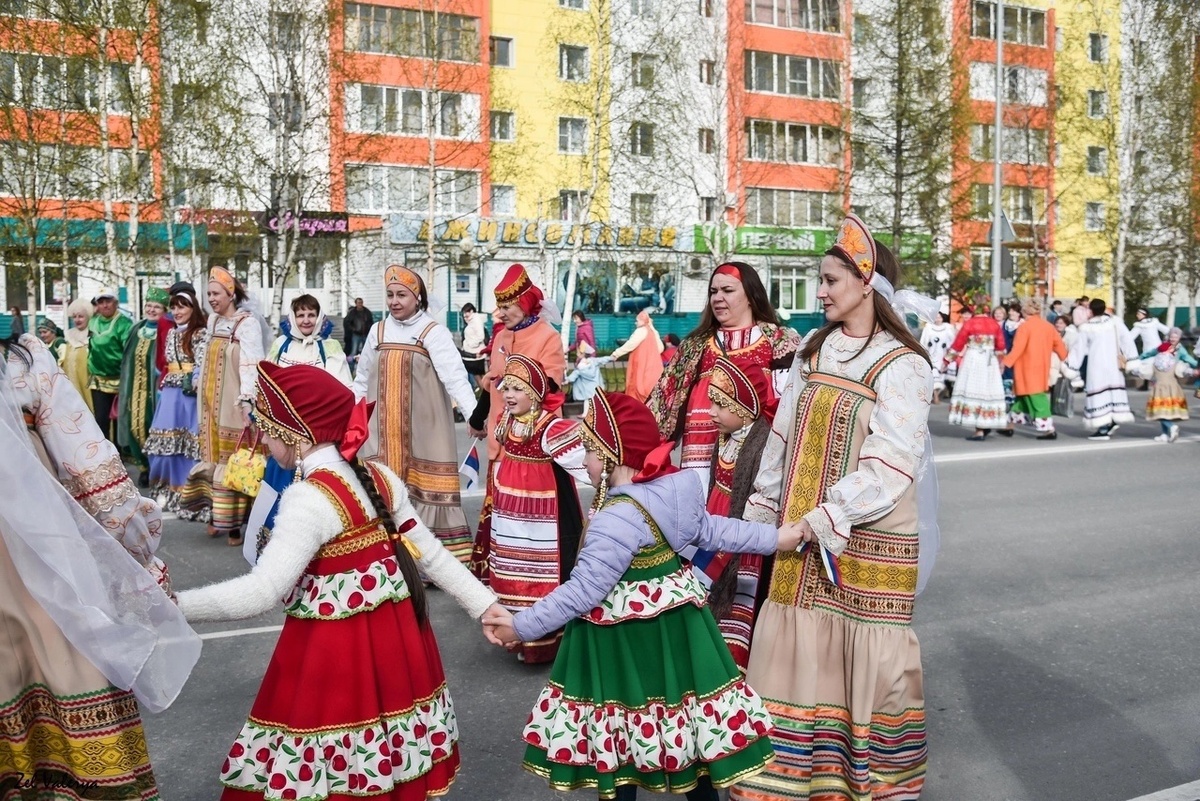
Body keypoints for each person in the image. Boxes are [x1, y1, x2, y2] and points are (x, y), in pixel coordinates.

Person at [176, 361, 504, 801]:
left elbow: (261, 592)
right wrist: (485, 605)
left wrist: (174, 606)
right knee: (380, 761)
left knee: (327, 768)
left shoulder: (309, 500)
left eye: (269, 429)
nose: (265, 439)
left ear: (296, 434)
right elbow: (431, 555)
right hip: (399, 651)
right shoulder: (378, 476)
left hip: (334, 661)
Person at [483, 390, 803, 800]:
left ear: (612, 455)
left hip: (622, 647)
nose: (584, 461)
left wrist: (520, 625)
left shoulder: (616, 520)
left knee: (621, 733)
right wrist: (778, 537)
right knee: (689, 723)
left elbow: (583, 591)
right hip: (677, 639)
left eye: (590, 451)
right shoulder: (669, 494)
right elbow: (721, 530)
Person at [734, 214, 934, 801]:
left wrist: (823, 520)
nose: (819, 291)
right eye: (820, 280)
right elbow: (781, 439)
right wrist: (761, 514)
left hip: (864, 537)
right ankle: (791, 787)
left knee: (864, 669)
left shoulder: (904, 365)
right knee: (795, 662)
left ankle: (860, 785)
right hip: (801, 538)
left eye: (830, 280)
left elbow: (893, 462)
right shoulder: (812, 353)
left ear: (866, 283)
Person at [0, 334, 199, 800]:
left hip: (33, 539)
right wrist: (135, 546)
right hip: (37, 543)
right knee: (63, 648)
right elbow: (83, 459)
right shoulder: (20, 362)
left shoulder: (23, 361)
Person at [354, 265, 480, 564]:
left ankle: (432, 565)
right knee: (379, 489)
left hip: (424, 430)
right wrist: (351, 417)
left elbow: (455, 378)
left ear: (418, 298)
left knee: (425, 490)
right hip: (379, 432)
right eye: (390, 295)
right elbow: (361, 379)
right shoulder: (378, 330)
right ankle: (385, 560)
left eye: (402, 295)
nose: (395, 301)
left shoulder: (432, 332)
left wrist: (474, 416)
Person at [646, 262, 800, 492]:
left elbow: (796, 400)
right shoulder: (694, 346)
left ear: (751, 295)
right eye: (713, 291)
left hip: (759, 451)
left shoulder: (780, 341)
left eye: (727, 290)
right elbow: (661, 403)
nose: (717, 297)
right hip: (700, 454)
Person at [479, 354, 586, 664]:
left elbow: (584, 461)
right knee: (514, 566)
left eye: (517, 389)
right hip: (510, 514)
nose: (509, 396)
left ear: (536, 394)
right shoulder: (506, 421)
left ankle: (546, 641)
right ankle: (517, 636)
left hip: (544, 512)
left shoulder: (550, 427)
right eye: (506, 388)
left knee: (545, 570)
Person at [684, 356, 777, 672]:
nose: (712, 413)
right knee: (705, 587)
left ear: (745, 406)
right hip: (716, 522)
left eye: (721, 405)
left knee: (736, 600)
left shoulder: (763, 444)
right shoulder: (725, 436)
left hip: (741, 531)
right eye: (712, 403)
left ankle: (731, 666)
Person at [246, 294, 354, 564]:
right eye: (301, 315)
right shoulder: (280, 346)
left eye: (311, 315)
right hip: (284, 433)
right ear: (292, 318)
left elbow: (344, 389)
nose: (306, 320)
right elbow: (266, 383)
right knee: (279, 484)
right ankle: (276, 547)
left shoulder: (330, 348)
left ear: (319, 317)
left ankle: (315, 545)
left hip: (317, 433)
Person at [198, 266, 267, 546]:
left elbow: (253, 363)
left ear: (230, 293)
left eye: (216, 293)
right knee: (215, 457)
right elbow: (205, 356)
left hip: (235, 402)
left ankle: (238, 524)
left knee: (237, 460)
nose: (212, 299)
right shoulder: (213, 321)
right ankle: (219, 516)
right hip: (211, 400)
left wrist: (248, 400)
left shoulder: (246, 323)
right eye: (209, 294)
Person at [145, 286, 209, 518]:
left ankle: (191, 496)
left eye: (182, 306)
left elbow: (201, 362)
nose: (177, 311)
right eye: (174, 307)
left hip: (188, 395)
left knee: (188, 446)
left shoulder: (200, 333)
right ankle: (167, 494)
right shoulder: (172, 332)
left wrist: (194, 379)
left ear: (193, 308)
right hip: (170, 392)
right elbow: (165, 361)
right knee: (162, 445)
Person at [1063, 298, 1138, 440]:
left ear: (1090, 310)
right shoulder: (1115, 322)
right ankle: (1112, 420)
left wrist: (1071, 368)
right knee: (1113, 393)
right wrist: (1132, 359)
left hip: (1096, 366)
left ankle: (1103, 427)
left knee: (1099, 394)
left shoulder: (1086, 327)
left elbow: (1079, 350)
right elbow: (1127, 340)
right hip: (1113, 365)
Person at [118, 287, 169, 480]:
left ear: (165, 310)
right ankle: (143, 466)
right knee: (133, 426)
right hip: (133, 388)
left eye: (157, 307)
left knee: (152, 425)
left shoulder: (167, 331)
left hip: (155, 390)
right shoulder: (136, 329)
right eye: (149, 305)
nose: (152, 310)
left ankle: (156, 466)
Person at [1003, 299, 1069, 440]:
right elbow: (1059, 345)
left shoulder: (1024, 327)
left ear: (1026, 311)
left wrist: (1005, 362)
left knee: (1035, 397)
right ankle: (1009, 425)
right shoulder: (1048, 327)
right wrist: (1065, 358)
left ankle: (1049, 429)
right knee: (1022, 398)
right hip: (1042, 366)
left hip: (1025, 367)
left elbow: (1018, 349)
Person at [945, 304, 1008, 440]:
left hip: (973, 359)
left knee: (974, 389)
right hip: (990, 361)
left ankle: (979, 430)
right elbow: (1001, 346)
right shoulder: (994, 324)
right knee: (988, 391)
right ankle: (986, 423)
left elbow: (958, 343)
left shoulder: (970, 324)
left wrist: (947, 361)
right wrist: (1001, 362)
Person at [1131, 327, 1195, 442]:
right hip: (1173, 387)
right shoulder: (1174, 360)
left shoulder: (1155, 361)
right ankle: (1167, 431)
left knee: (1160, 411)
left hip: (1159, 388)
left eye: (1176, 337)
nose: (1173, 339)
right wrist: (1195, 370)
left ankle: (1169, 429)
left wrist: (1133, 364)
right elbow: (1184, 368)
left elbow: (1142, 370)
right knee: (1167, 411)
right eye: (1172, 336)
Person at [87, 287, 132, 443]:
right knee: (100, 418)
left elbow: (129, 352)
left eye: (108, 301)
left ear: (116, 303)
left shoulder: (124, 324)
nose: (105, 305)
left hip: (119, 380)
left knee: (118, 419)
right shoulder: (92, 322)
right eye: (101, 302)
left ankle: (120, 453)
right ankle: (104, 454)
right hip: (98, 379)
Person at [607, 309, 664, 404]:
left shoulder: (641, 331)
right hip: (653, 366)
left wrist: (616, 353)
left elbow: (630, 344)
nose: (635, 323)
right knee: (651, 388)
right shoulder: (652, 332)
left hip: (641, 364)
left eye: (637, 320)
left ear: (643, 321)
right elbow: (660, 348)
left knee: (638, 387)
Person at [59, 297, 94, 413]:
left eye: (81, 316)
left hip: (87, 382)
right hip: (70, 382)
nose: (77, 320)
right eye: (75, 317)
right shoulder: (69, 336)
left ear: (88, 317)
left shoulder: (93, 334)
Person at [920, 310, 956, 404]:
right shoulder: (928, 327)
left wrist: (951, 355)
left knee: (942, 378)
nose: (937, 319)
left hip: (943, 356)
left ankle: (936, 395)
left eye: (939, 317)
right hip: (932, 356)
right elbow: (924, 341)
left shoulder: (948, 328)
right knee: (934, 375)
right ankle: (935, 397)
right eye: (936, 317)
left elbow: (953, 342)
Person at [460, 302, 488, 388]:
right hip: (472, 354)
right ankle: (485, 394)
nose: (465, 318)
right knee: (479, 377)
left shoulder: (476, 320)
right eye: (464, 316)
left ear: (471, 311)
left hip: (476, 354)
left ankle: (486, 395)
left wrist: (471, 345)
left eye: (466, 315)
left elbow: (480, 336)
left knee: (479, 377)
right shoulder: (472, 321)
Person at [343, 296, 374, 361]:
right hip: (356, 334)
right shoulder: (352, 312)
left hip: (365, 334)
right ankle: (351, 367)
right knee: (354, 351)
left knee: (367, 351)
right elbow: (347, 322)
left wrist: (369, 329)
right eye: (358, 303)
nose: (360, 304)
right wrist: (353, 329)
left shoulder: (367, 312)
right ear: (356, 303)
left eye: (361, 302)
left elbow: (371, 322)